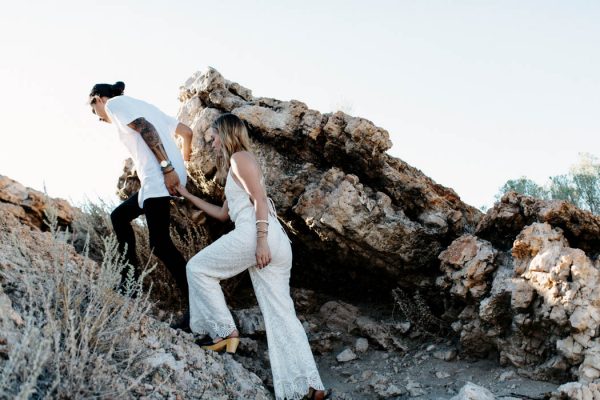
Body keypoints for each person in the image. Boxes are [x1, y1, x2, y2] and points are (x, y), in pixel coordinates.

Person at [178, 113, 329, 400]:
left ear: (226, 133)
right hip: (272, 239)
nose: (212, 143)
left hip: (258, 234)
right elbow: (223, 214)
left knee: (197, 268)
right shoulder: (238, 166)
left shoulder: (240, 158)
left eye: (214, 137)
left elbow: (259, 200)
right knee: (281, 315)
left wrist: (260, 242)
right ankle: (311, 387)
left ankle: (224, 333)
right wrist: (187, 194)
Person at [88, 81, 192, 329]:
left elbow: (145, 128)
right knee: (120, 217)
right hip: (159, 179)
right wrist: (182, 166)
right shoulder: (145, 105)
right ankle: (130, 282)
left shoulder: (115, 104)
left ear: (98, 99)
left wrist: (168, 169)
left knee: (160, 243)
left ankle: (197, 303)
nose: (98, 118)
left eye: (94, 112)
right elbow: (187, 132)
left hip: (160, 176)